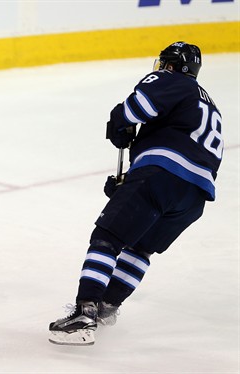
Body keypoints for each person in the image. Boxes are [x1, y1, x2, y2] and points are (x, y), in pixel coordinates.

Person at [48, 41, 223, 346]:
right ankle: (107, 308)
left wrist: (119, 123)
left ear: (169, 65)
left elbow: (137, 107)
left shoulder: (171, 80)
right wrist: (131, 180)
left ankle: (84, 312)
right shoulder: (209, 106)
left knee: (107, 237)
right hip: (194, 197)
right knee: (140, 248)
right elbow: (188, 153)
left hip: (161, 175)